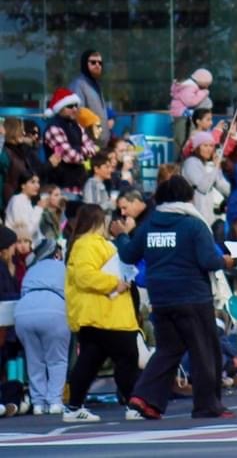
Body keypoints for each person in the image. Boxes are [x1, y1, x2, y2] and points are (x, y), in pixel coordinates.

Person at [118, 175, 232, 420]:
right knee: (204, 351)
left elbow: (128, 255)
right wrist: (227, 261)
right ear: (187, 197)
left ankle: (144, 397)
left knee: (168, 350)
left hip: (160, 298)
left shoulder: (149, 224)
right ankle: (206, 405)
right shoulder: (193, 224)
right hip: (192, 295)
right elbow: (208, 260)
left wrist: (121, 235)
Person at [62, 204, 142, 423]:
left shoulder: (84, 243)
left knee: (89, 362)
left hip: (98, 315)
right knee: (126, 358)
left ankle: (74, 406)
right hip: (107, 315)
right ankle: (133, 404)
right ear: (98, 221)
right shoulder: (88, 244)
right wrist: (114, 284)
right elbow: (85, 276)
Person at [15, 237, 68, 416]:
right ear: (57, 253)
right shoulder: (63, 267)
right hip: (54, 309)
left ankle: (38, 403)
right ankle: (54, 401)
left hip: (23, 311)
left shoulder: (31, 270)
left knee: (34, 359)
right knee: (57, 359)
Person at [42, 89, 98, 196]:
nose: (75, 109)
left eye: (76, 105)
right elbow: (70, 157)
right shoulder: (54, 128)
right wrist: (84, 152)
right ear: (60, 108)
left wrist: (78, 150)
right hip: (62, 188)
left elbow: (93, 148)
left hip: (80, 186)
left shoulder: (77, 126)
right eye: (70, 106)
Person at [182, 131, 230, 227]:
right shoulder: (191, 163)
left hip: (209, 216)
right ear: (197, 147)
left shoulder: (209, 165)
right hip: (195, 215)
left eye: (211, 146)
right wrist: (215, 167)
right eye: (205, 146)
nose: (209, 149)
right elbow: (204, 187)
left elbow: (222, 185)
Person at [70, 48, 111, 134]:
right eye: (93, 62)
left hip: (100, 143)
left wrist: (111, 115)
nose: (97, 65)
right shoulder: (79, 84)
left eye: (100, 63)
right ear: (85, 64)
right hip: (88, 144)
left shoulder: (95, 84)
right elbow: (78, 113)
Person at [6, 170, 44, 246]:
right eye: (33, 182)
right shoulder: (17, 201)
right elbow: (26, 232)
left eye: (38, 182)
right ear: (23, 185)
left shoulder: (27, 201)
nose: (37, 185)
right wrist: (39, 209)